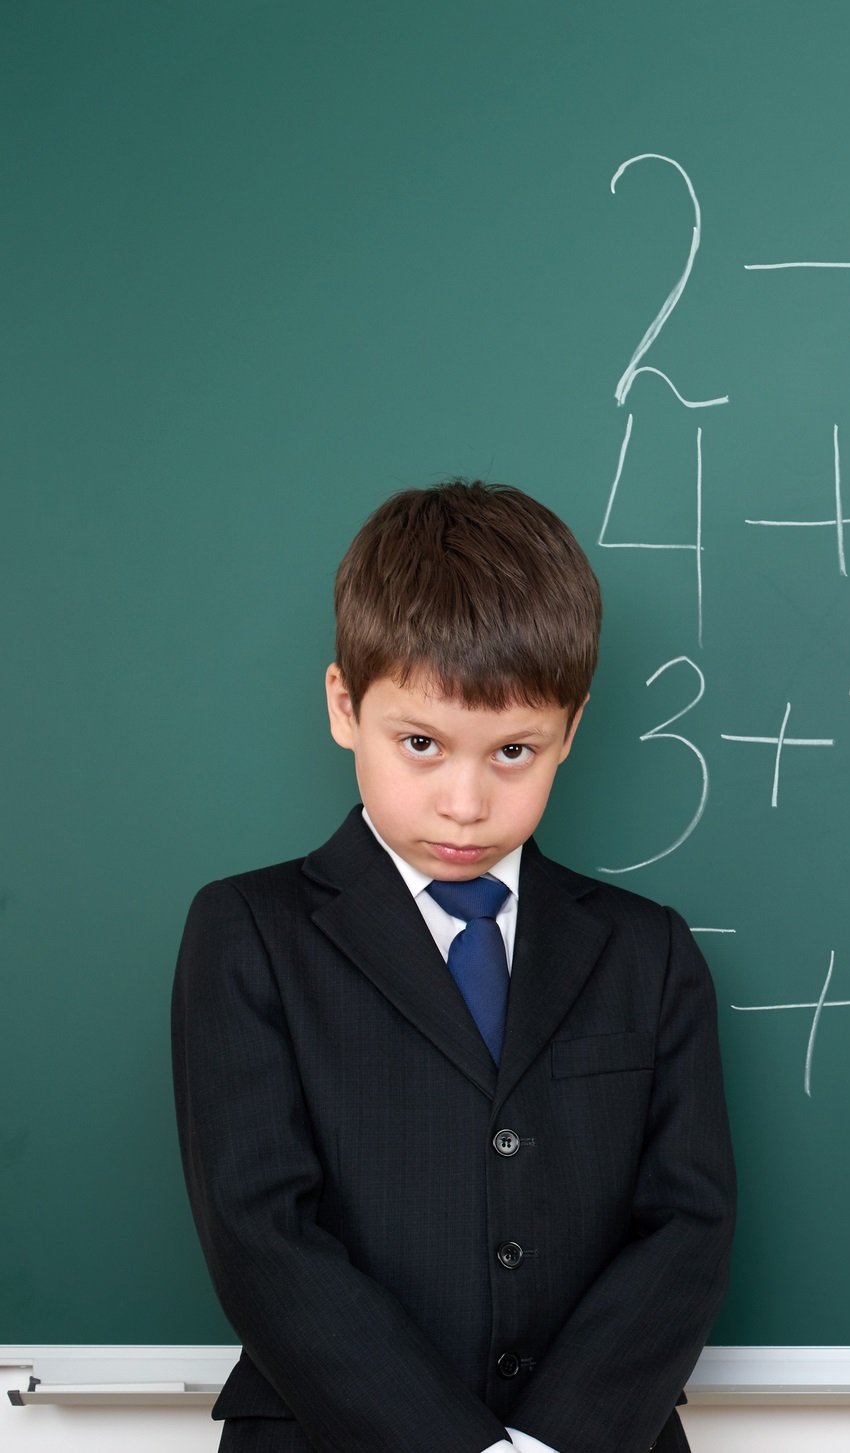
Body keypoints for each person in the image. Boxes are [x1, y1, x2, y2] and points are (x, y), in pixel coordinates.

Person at [171, 480, 734, 1453]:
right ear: (346, 705)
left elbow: (688, 1222)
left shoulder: (648, 951)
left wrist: (556, 1439)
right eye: (421, 744)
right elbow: (261, 1231)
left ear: (571, 730)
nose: (465, 802)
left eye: (513, 749)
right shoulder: (249, 933)